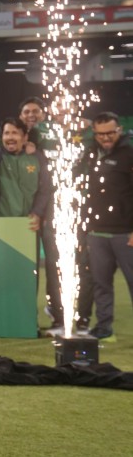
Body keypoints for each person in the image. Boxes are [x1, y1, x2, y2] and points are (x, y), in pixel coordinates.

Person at [0, 117, 59, 333]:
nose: (10, 138)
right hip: (2, 227)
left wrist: (37, 213)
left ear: (25, 137)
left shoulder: (37, 157)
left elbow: (45, 189)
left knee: (29, 278)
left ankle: (30, 322)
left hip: (28, 228)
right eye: (6, 133)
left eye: (14, 133)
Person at [80, 111, 133, 340]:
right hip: (96, 231)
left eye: (110, 132)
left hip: (125, 232)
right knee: (101, 283)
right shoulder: (89, 152)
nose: (106, 137)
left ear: (119, 129)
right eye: (101, 134)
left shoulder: (130, 153)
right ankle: (103, 328)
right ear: (94, 133)